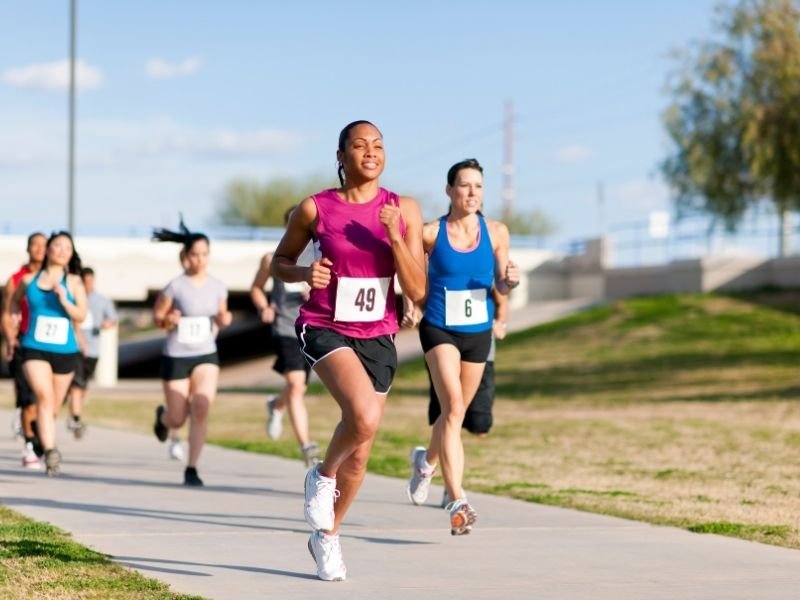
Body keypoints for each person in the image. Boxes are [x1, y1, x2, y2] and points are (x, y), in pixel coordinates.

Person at [270, 120, 425, 581]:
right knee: (364, 416)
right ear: (341, 156)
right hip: (325, 325)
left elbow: (417, 288)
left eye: (378, 145)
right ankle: (321, 475)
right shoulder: (315, 207)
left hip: (378, 333)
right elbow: (280, 262)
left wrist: (394, 236)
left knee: (360, 451)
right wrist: (304, 274)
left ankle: (328, 536)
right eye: (359, 145)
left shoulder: (404, 209)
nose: (370, 152)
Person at [405, 158, 519, 535]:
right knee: (453, 407)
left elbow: (500, 284)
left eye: (478, 186)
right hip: (439, 328)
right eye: (465, 185)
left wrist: (510, 282)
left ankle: (425, 461)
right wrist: (410, 303)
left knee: (454, 414)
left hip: (478, 331)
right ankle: (457, 500)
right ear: (450, 190)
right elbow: (409, 273)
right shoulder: (430, 233)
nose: (473, 192)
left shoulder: (497, 232)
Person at [151, 223, 232, 486]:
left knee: (201, 407)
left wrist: (224, 319)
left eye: (204, 254)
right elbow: (158, 318)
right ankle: (163, 418)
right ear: (186, 256)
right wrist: (168, 320)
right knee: (177, 418)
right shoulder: (175, 287)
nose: (200, 259)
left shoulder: (218, 286)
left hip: (205, 353)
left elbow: (222, 316)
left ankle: (192, 468)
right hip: (176, 355)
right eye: (195, 254)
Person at [10, 231, 87, 476]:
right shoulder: (28, 280)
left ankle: (39, 436)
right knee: (44, 397)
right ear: (48, 250)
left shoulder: (74, 282)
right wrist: (15, 314)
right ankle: (51, 451)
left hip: (65, 352)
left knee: (52, 408)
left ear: (71, 254)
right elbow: (14, 300)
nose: (62, 251)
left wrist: (65, 301)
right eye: (58, 246)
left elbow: (81, 315)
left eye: (68, 247)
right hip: (34, 347)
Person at [425, 290, 508, 508]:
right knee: (453, 413)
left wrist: (501, 321)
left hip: (480, 350)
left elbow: (502, 296)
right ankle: (453, 488)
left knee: (479, 426)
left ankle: (426, 461)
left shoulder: (487, 270)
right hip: (443, 341)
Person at [250, 205, 319, 466]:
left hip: (310, 329)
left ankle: (276, 405)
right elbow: (256, 288)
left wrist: (314, 292)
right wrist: (264, 307)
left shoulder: (319, 258)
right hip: (284, 327)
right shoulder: (272, 259)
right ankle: (306, 446)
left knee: (296, 387)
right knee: (296, 384)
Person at [1, 232, 47, 469]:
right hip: (24, 343)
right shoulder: (17, 279)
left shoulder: (55, 278)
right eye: (35, 245)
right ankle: (30, 445)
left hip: (50, 345)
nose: (39, 249)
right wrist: (11, 338)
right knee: (29, 398)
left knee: (47, 400)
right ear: (28, 249)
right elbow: (6, 313)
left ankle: (39, 436)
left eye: (44, 245)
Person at [64, 266, 118, 439]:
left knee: (82, 386)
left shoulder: (102, 300)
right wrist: (79, 340)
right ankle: (76, 419)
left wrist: (108, 323)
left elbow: (112, 319)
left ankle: (74, 411)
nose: (87, 285)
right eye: (84, 282)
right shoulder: (73, 298)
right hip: (74, 348)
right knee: (77, 384)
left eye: (90, 281)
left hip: (93, 349)